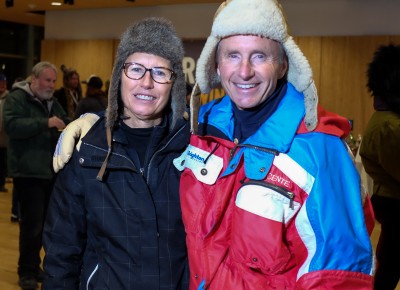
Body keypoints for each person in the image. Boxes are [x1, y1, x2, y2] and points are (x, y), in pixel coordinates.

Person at [52, 0, 375, 289]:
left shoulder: (320, 152)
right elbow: (62, 252)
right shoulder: (203, 129)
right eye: (233, 55)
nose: (244, 71)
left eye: (259, 56)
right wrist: (96, 122)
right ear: (217, 66)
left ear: (283, 64)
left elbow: (339, 278)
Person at [42, 17, 189, 290]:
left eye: (159, 72)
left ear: (174, 83)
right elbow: (61, 253)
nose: (146, 82)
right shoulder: (86, 150)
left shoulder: (195, 149)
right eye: (135, 69)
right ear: (120, 75)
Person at [3, 61, 70, 290]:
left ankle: (35, 266)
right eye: (47, 80)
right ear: (34, 79)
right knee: (31, 226)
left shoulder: (52, 102)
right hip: (28, 171)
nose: (51, 85)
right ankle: (27, 272)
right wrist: (45, 122)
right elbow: (11, 126)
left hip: (49, 172)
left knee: (44, 225)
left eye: (53, 81)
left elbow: (65, 121)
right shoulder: (16, 98)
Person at [360, 44, 400, 290]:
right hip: (395, 203)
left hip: (391, 201)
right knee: (390, 265)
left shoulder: (388, 122)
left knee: (390, 262)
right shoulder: (390, 126)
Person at [0, 73, 9, 192]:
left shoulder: (9, 98)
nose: (2, 86)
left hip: (4, 137)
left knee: (2, 161)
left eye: (4, 84)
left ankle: (1, 183)